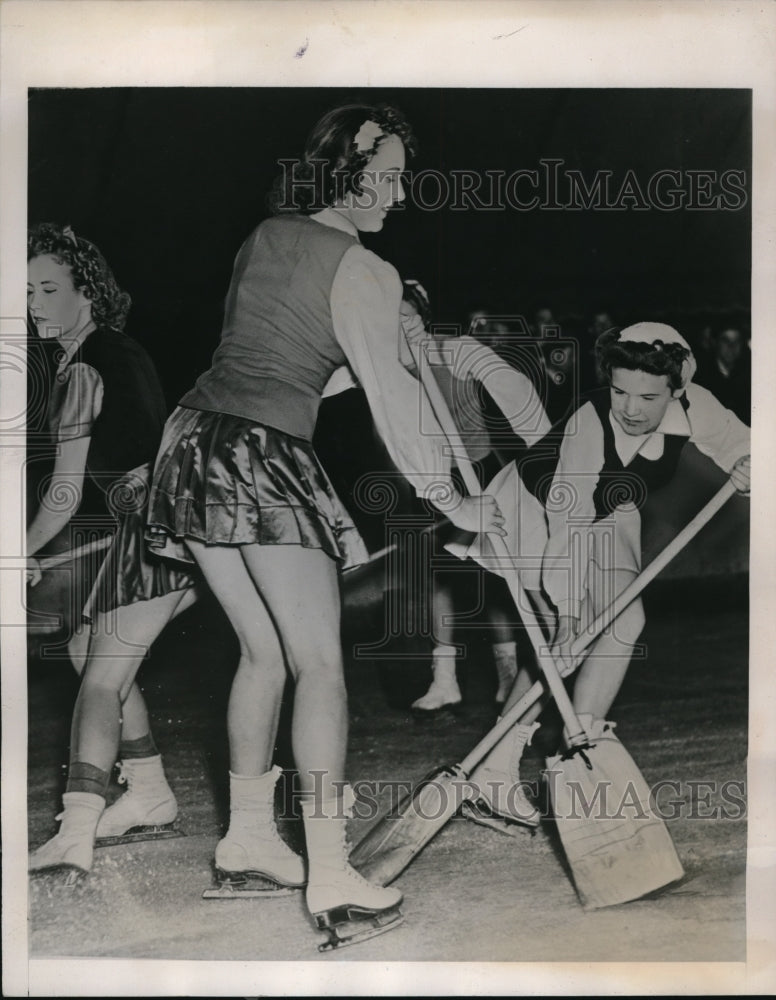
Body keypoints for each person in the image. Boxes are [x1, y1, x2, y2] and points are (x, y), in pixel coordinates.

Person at [145, 104, 504, 949]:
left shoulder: (265, 236)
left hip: (191, 440)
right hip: (262, 454)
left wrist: (387, 341)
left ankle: (246, 841)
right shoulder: (367, 268)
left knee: (264, 652)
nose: (401, 194)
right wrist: (458, 504)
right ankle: (333, 871)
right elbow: (392, 406)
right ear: (347, 169)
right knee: (319, 663)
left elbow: (297, 360)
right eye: (390, 176)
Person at [465, 322, 751, 829]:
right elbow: (569, 517)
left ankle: (580, 754)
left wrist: (751, 468)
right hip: (536, 509)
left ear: (677, 389)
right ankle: (494, 770)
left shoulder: (697, 405)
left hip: (614, 508)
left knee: (624, 620)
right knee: (565, 640)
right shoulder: (590, 420)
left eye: (648, 396)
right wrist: (570, 613)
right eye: (621, 392)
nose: (631, 408)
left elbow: (744, 446)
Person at [26, 225, 185, 868]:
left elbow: (65, 493)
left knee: (99, 679)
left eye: (47, 289)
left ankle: (75, 831)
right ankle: (149, 793)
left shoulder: (87, 366)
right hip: (168, 524)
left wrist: (20, 550)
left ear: (87, 294)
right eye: (25, 292)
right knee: (84, 647)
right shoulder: (120, 351)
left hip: (158, 536)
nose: (33, 303)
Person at [398, 281, 551, 716]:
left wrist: (548, 451)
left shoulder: (454, 349)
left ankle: (508, 677)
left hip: (479, 472)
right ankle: (444, 679)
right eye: (387, 320)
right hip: (430, 479)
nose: (399, 326)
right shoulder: (383, 367)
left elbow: (515, 389)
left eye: (406, 315)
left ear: (423, 314)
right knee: (439, 578)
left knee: (498, 576)